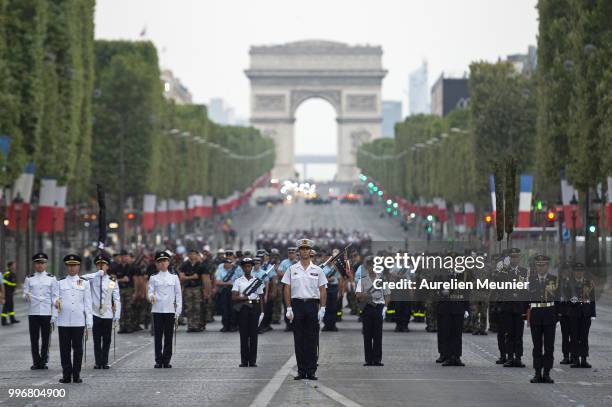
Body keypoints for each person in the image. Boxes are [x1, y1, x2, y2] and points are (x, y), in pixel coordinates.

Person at [282, 239, 327, 381]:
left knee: (312, 339)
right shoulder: (291, 269)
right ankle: (302, 371)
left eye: (307, 249)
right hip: (297, 305)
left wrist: (323, 308)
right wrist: (288, 307)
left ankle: (311, 370)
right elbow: (287, 289)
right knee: (299, 339)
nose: (305, 251)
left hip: (312, 305)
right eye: (302, 249)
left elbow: (322, 290)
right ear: (299, 252)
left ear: (310, 251)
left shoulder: (318, 270)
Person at [54, 254, 93, 384]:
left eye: (74, 265)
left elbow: (88, 303)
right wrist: (56, 304)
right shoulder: (60, 282)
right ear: (66, 267)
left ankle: (76, 375)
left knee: (78, 349)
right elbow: (55, 298)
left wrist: (89, 321)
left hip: (78, 321)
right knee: (64, 350)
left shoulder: (85, 283)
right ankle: (66, 375)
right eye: (69, 266)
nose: (72, 268)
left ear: (79, 266)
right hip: (64, 321)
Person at [80, 253, 121, 369]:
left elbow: (116, 298)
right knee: (97, 339)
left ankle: (105, 361)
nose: (101, 267)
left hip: (107, 313)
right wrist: (96, 274)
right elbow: (81, 278)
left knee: (107, 339)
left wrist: (117, 315)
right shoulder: (92, 279)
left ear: (108, 267)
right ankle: (98, 362)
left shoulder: (112, 280)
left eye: (103, 265)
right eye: (98, 265)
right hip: (95, 313)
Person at [23, 253, 58, 369]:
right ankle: (35, 361)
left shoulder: (52, 278)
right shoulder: (29, 278)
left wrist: (55, 311)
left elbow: (55, 296)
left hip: (46, 312)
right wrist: (26, 296)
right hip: (33, 312)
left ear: (46, 264)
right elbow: (25, 293)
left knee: (45, 339)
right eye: (38, 263)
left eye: (42, 263)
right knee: (34, 339)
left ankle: (43, 361)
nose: (40, 265)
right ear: (34, 264)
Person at [148, 251, 182, 368]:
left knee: (168, 336)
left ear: (168, 262)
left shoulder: (174, 277)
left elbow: (178, 294)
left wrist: (178, 310)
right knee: (158, 336)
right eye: (160, 262)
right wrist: (151, 297)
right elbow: (150, 291)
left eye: (164, 261)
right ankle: (158, 360)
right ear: (156, 264)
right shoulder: (153, 278)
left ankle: (166, 360)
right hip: (157, 309)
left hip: (170, 310)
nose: (162, 263)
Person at [527, 254, 558, 384]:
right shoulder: (530, 280)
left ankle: (547, 373)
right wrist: (526, 317)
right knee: (537, 346)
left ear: (548, 266)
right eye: (538, 265)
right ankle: (537, 373)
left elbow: (559, 299)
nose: (540, 268)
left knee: (549, 347)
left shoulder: (554, 280)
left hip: (549, 315)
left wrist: (558, 316)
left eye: (543, 265)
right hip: (536, 315)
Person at [356, 256, 390, 366]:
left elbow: (387, 294)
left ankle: (377, 359)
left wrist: (385, 308)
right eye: (369, 265)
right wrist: (364, 295)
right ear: (367, 267)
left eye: (373, 265)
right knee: (367, 334)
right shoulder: (362, 280)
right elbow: (357, 295)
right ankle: (368, 360)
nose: (371, 267)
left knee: (377, 335)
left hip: (378, 307)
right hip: (367, 308)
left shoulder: (381, 279)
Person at [232, 257, 264, 367]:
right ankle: (244, 361)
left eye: (249, 266)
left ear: (252, 267)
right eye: (245, 266)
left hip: (254, 307)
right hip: (244, 308)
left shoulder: (256, 281)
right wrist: (246, 297)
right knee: (244, 335)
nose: (247, 268)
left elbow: (260, 297)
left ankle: (253, 360)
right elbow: (234, 297)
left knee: (254, 335)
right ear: (242, 267)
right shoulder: (238, 281)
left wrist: (262, 312)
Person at [501, 248, 528, 367]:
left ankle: (518, 357)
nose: (514, 259)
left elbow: (527, 291)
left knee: (518, 334)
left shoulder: (524, 271)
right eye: (512, 257)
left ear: (519, 258)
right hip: (507, 307)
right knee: (509, 334)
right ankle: (510, 356)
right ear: (509, 258)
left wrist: (526, 309)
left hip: (519, 308)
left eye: (516, 257)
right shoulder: (504, 271)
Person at [566, 262, 596, 368]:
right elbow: (565, 298)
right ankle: (575, 359)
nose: (579, 273)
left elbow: (592, 299)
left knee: (584, 337)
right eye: (577, 271)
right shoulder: (568, 283)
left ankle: (583, 359)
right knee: (574, 337)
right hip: (573, 313)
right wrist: (571, 301)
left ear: (583, 272)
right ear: (574, 272)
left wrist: (593, 314)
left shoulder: (589, 283)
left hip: (585, 313)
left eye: (581, 271)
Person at [179, 248, 206, 332]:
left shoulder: (200, 265)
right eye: (190, 254)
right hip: (188, 288)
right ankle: (190, 325)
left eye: (194, 254)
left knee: (197, 307)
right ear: (188, 255)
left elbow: (204, 278)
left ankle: (197, 325)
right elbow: (181, 277)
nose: (192, 255)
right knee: (189, 307)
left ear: (197, 255)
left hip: (198, 288)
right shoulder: (184, 265)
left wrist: (206, 290)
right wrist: (192, 277)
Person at [215, 251, 242, 332]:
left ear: (233, 257)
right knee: (224, 308)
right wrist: (227, 283)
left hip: (234, 290)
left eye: (230, 256)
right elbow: (217, 281)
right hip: (224, 289)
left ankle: (233, 325)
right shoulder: (220, 267)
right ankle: (225, 325)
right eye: (227, 257)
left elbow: (241, 279)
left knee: (233, 308)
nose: (228, 258)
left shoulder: (237, 268)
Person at [2, 261, 19, 325]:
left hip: (11, 292)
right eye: (14, 265)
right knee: (6, 306)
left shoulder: (13, 273)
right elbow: (4, 283)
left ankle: (12, 319)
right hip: (7, 292)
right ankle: (3, 321)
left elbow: (13, 283)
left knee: (11, 306)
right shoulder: (7, 273)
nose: (15, 266)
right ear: (10, 266)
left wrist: (14, 289)